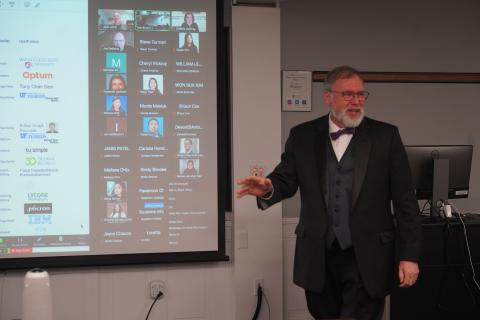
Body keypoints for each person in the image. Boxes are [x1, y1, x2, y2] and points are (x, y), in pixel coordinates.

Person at [237, 65, 423, 320]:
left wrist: (409, 256)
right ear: (328, 97)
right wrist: (269, 187)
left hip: (368, 257)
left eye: (361, 94)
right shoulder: (302, 136)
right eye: (348, 94)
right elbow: (285, 180)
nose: (356, 101)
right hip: (318, 255)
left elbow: (405, 201)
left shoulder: (385, 136)